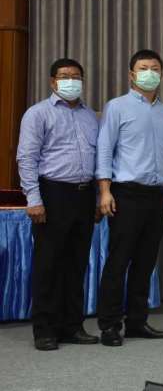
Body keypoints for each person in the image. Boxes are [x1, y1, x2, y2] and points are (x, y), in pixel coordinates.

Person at [16, 58, 100, 351]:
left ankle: (72, 326)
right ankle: (45, 329)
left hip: (84, 194)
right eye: (64, 76)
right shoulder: (37, 113)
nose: (71, 81)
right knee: (48, 265)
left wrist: (98, 198)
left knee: (77, 264)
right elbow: (27, 158)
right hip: (53, 194)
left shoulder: (91, 116)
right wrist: (34, 199)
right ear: (53, 81)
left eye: (76, 76)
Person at [96, 49, 163, 346]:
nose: (149, 73)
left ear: (161, 74)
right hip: (126, 193)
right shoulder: (117, 107)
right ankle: (109, 325)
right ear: (131, 74)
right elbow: (105, 149)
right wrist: (105, 190)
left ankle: (137, 322)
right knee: (119, 261)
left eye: (155, 68)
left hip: (156, 195)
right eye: (143, 68)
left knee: (145, 262)